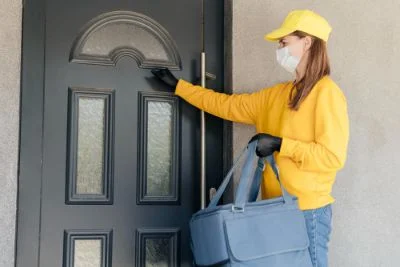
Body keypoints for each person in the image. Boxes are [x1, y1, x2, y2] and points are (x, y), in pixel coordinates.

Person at [150, 9, 349, 267]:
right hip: (272, 210)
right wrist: (179, 87)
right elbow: (225, 105)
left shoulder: (327, 94)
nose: (280, 48)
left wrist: (280, 144)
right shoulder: (276, 96)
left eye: (284, 42)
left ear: (307, 42)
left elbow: (331, 158)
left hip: (307, 213)